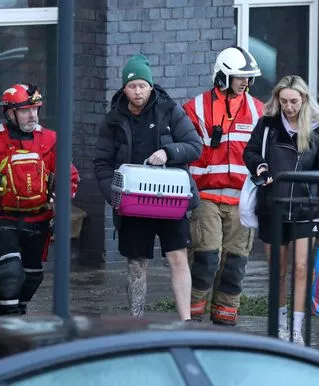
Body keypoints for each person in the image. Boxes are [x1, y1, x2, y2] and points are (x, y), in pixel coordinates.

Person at [93, 54, 202, 321]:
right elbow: (102, 164)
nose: (138, 91)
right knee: (136, 263)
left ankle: (185, 320)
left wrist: (168, 152)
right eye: (132, 86)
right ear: (124, 88)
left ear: (151, 86)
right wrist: (115, 196)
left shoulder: (170, 110)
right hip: (133, 204)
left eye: (142, 85)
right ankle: (136, 321)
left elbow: (195, 146)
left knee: (178, 257)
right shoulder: (113, 119)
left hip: (170, 201)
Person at [243, 75, 319, 344]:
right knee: (278, 270)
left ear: (304, 100)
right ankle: (280, 324)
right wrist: (260, 167)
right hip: (273, 207)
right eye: (284, 101)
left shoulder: (318, 130)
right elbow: (250, 152)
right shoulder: (268, 125)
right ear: (277, 99)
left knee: (301, 268)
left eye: (294, 101)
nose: (288, 107)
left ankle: (297, 330)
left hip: (306, 208)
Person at [0, 83, 79, 316]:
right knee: (10, 270)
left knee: (33, 275)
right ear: (9, 112)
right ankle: (9, 321)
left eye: (36, 109)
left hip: (38, 217)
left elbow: (69, 178)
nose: (33, 115)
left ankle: (18, 309)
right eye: (26, 110)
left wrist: (62, 213)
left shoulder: (49, 139)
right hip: (2, 216)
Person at [183, 46, 264, 326]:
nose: (246, 83)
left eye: (249, 78)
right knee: (206, 258)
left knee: (235, 263)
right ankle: (190, 318)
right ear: (222, 77)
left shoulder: (258, 111)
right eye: (240, 77)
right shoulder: (195, 108)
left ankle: (225, 319)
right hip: (205, 195)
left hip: (241, 199)